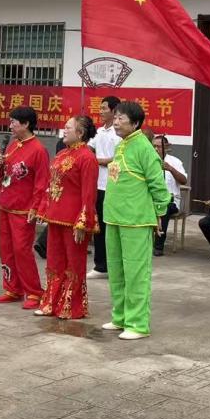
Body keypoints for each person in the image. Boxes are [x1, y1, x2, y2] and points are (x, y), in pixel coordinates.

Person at [101, 101, 172, 341]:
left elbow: (158, 186)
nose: (116, 122)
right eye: (115, 117)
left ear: (136, 123)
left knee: (136, 273)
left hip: (136, 220)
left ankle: (138, 324)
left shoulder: (144, 148)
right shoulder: (122, 145)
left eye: (121, 118)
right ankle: (120, 317)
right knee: (117, 270)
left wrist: (159, 213)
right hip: (114, 217)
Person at [35, 115, 98, 319]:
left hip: (74, 220)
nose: (64, 130)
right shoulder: (62, 154)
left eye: (68, 127)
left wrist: (83, 222)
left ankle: (71, 306)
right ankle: (51, 302)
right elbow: (51, 184)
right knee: (54, 262)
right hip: (56, 217)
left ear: (80, 132)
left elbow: (89, 194)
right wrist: (43, 208)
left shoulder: (87, 157)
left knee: (74, 263)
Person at [0, 106, 49, 309]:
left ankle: (34, 292)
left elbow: (42, 183)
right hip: (6, 205)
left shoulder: (38, 150)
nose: (10, 126)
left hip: (24, 209)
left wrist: (36, 207)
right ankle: (12, 288)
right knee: (6, 249)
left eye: (13, 122)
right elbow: (4, 175)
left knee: (22, 250)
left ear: (25, 124)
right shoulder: (12, 146)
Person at [87, 96, 120, 281]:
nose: (100, 111)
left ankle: (111, 265)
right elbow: (88, 148)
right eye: (100, 108)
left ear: (114, 111)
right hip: (97, 184)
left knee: (110, 227)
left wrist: (99, 161)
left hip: (112, 185)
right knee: (98, 225)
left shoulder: (118, 133)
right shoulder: (99, 131)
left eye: (104, 108)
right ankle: (101, 266)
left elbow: (120, 157)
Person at [151, 134, 187, 257]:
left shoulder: (175, 161)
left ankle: (158, 246)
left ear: (166, 147)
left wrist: (170, 168)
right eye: (154, 146)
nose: (156, 149)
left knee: (164, 209)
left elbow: (184, 181)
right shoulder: (148, 160)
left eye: (159, 146)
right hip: (152, 199)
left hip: (171, 201)